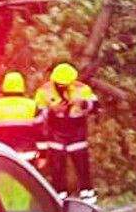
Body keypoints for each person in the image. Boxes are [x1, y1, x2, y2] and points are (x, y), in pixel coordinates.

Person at [35, 63, 98, 202]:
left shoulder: (82, 89)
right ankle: (60, 194)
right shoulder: (44, 91)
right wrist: (53, 110)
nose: (62, 86)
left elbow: (95, 107)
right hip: (55, 130)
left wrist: (83, 104)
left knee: (82, 163)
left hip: (77, 131)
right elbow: (38, 114)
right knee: (57, 165)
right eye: (59, 84)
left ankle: (86, 192)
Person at [0, 71, 42, 162]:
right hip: (27, 154)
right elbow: (40, 132)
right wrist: (43, 155)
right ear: (23, 85)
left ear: (4, 85)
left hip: (3, 154)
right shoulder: (32, 105)